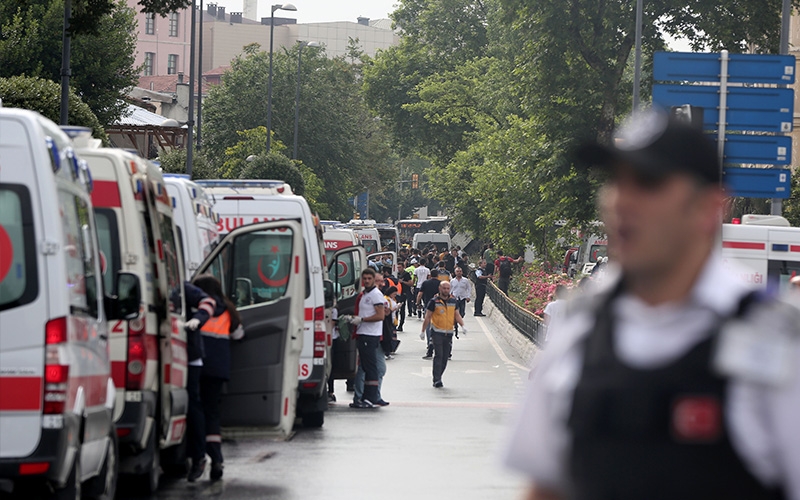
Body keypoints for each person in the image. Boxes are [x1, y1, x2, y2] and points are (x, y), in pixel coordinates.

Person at [503, 108, 800, 500]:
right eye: (615, 181)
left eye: (648, 182)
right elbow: (545, 486)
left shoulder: (775, 340)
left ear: (709, 207)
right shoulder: (579, 327)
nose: (621, 202)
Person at [192, 274, 244, 481]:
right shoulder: (228, 311)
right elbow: (239, 335)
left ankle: (197, 457)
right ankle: (217, 459)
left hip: (197, 367)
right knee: (212, 413)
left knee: (196, 412)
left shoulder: (198, 309)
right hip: (219, 370)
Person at [181, 282, 217, 482]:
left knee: (193, 404)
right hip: (169, 353)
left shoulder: (181, 288)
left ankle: (198, 456)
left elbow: (208, 302)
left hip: (190, 354)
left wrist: (197, 319)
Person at [348, 268, 385, 409]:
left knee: (370, 367)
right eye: (365, 279)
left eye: (370, 278)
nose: (367, 281)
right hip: (363, 333)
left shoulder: (375, 295)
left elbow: (380, 316)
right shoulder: (364, 294)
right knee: (365, 365)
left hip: (370, 335)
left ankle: (370, 397)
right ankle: (365, 396)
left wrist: (361, 319)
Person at [420, 281, 466, 388]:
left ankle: (439, 375)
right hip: (437, 333)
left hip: (449, 333)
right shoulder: (434, 302)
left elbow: (457, 315)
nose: (446, 290)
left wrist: (463, 325)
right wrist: (423, 331)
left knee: (445, 357)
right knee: (439, 355)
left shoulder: (453, 301)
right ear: (440, 289)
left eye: (448, 288)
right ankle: (437, 379)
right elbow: (428, 317)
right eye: (444, 288)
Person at [417, 270, 442, 359]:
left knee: (428, 324)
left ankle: (429, 343)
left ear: (430, 275)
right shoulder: (441, 284)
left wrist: (418, 303)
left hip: (428, 306)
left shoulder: (425, 283)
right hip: (439, 307)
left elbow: (420, 294)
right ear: (438, 275)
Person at [449, 266, 472, 335]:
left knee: (462, 313)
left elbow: (469, 289)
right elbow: (450, 289)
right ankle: (454, 324)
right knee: (454, 312)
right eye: (457, 271)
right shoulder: (452, 281)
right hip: (454, 298)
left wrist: (468, 296)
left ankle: (458, 320)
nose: (459, 273)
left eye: (460, 271)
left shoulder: (465, 280)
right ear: (455, 273)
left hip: (462, 298)